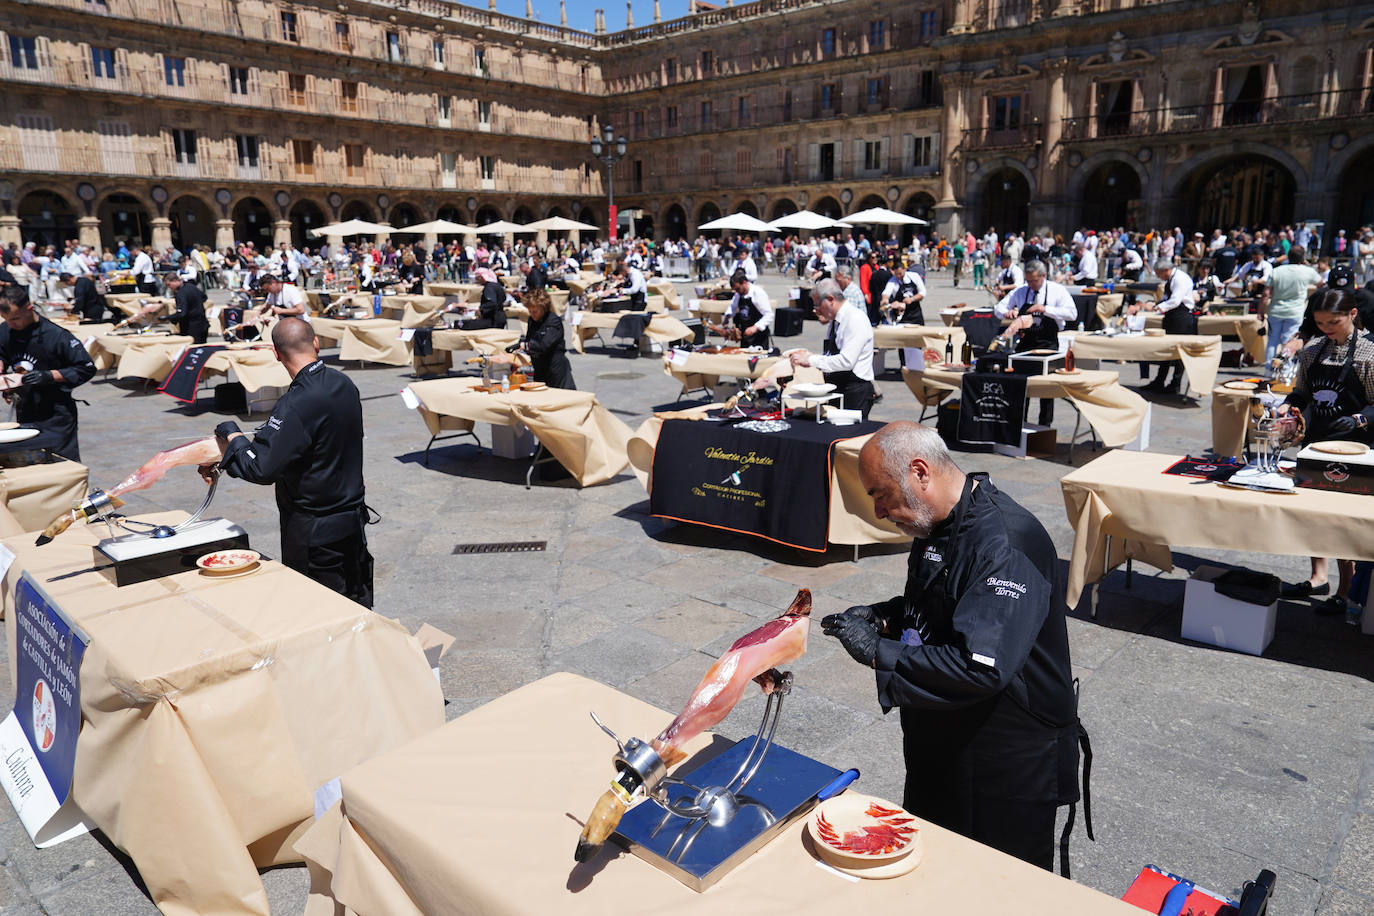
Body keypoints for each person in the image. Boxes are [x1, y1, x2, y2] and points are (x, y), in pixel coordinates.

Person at [821, 421, 1083, 871]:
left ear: (920, 472)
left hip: (1004, 759)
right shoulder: (938, 524)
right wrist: (887, 616)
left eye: (882, 495)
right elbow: (946, 603)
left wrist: (876, 652)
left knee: (997, 883)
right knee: (931, 868)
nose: (880, 512)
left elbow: (982, 666)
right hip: (944, 742)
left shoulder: (1004, 543)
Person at [208, 318, 374, 607]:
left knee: (318, 612)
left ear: (275, 354)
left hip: (315, 533)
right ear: (317, 343)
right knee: (355, 606)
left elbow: (261, 468)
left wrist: (231, 436)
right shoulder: (343, 383)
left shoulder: (295, 402)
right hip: (351, 524)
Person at [1276, 289, 1373, 613]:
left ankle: (1347, 590)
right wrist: (1287, 409)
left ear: (1353, 315)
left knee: (1343, 521)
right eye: (1320, 322)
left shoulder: (1368, 353)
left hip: (1355, 448)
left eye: (1334, 322)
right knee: (1314, 516)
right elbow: (1301, 392)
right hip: (1315, 442)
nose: (1327, 328)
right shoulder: (1312, 350)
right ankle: (1319, 577)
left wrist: (1360, 418)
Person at [0, 286, 97, 461]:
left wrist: (49, 376)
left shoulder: (57, 335)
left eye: (15, 319)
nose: (11, 324)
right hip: (25, 409)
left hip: (56, 412)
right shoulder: (6, 330)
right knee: (30, 461)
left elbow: (86, 367)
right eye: (6, 319)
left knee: (63, 463)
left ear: (29, 309)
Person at [993, 260, 1078, 425]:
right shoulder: (1021, 290)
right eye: (1028, 281)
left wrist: (1045, 309)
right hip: (1026, 343)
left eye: (1034, 281)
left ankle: (1045, 426)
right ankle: (1019, 424)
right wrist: (1007, 312)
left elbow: (1072, 314)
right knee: (1020, 386)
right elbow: (998, 308)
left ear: (1043, 276)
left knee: (1047, 389)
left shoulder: (1057, 290)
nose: (1031, 284)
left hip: (1048, 344)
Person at [788, 278, 875, 418]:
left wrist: (812, 360)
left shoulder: (854, 319)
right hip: (837, 387)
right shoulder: (835, 321)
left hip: (854, 391)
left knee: (848, 436)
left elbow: (847, 361)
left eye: (817, 305)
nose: (816, 310)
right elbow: (831, 354)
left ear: (830, 299)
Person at [1138, 258, 1195, 394]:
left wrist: (1157, 308)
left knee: (1179, 352)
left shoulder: (1180, 279)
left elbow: (1175, 301)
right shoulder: (1171, 278)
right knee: (1165, 349)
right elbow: (1167, 298)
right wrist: (1155, 304)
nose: (1158, 276)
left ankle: (1175, 383)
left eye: (1158, 273)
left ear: (1166, 270)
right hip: (1172, 316)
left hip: (1181, 317)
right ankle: (1159, 380)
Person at [1260, 245, 1321, 367]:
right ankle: (1286, 370)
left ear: (1288, 256)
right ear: (1303, 258)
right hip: (1295, 312)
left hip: (1276, 310)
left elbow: (1265, 293)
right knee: (1289, 341)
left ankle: (1269, 369)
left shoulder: (1276, 271)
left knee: (1272, 341)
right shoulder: (1307, 271)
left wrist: (1260, 312)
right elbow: (1321, 283)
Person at [518, 288, 574, 390]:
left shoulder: (553, 321)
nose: (532, 314)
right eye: (530, 311)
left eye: (535, 311)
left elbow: (544, 345)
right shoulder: (532, 320)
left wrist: (526, 346)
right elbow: (529, 338)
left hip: (555, 367)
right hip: (539, 366)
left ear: (543, 308)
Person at [718, 270, 773, 349]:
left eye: (737, 288)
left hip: (758, 335)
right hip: (745, 334)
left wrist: (755, 327)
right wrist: (727, 317)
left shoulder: (757, 293)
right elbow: (733, 307)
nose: (736, 292)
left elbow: (769, 315)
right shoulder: (738, 294)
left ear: (744, 282)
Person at [163, 273, 210, 344]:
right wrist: (195, 304)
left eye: (169, 285)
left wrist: (168, 317)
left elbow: (182, 313)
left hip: (191, 328)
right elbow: (204, 297)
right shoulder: (191, 286)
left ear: (175, 281)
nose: (169, 287)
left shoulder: (181, 293)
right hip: (202, 324)